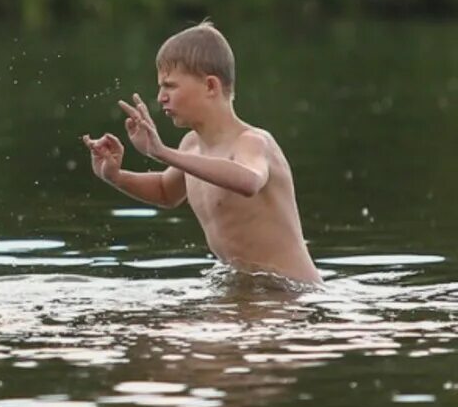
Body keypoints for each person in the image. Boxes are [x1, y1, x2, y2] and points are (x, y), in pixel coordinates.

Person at [82, 21, 321, 285]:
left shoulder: (252, 142)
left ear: (210, 86)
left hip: (291, 294)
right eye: (161, 87)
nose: (160, 97)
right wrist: (116, 176)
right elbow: (165, 191)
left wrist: (162, 152)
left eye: (170, 86)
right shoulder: (191, 146)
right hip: (245, 290)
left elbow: (249, 181)